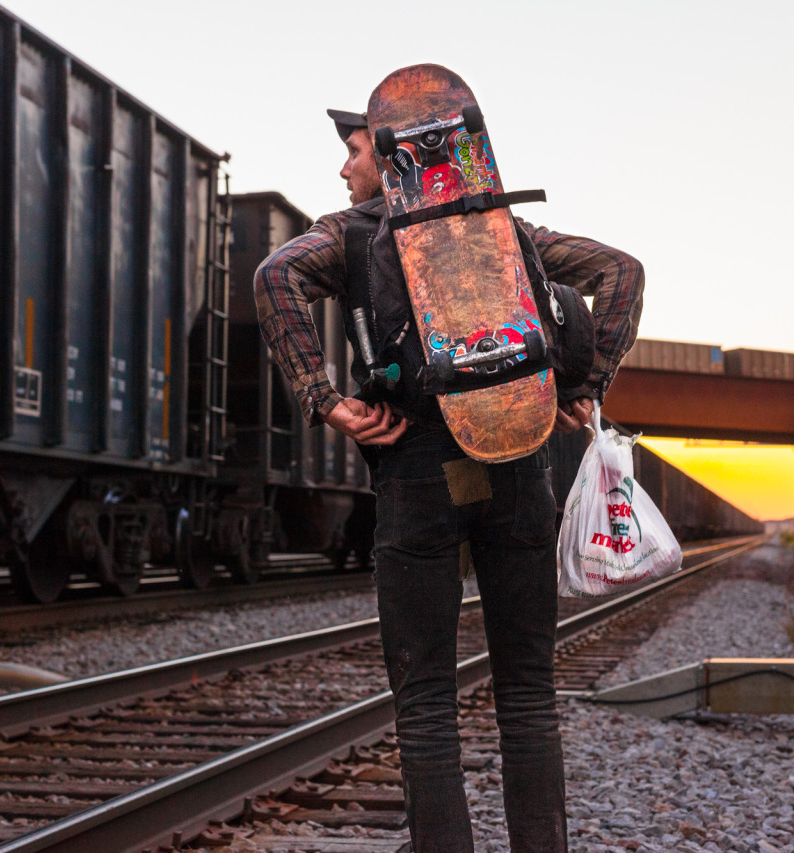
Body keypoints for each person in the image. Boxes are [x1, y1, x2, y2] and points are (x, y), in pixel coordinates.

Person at [255, 91, 644, 853]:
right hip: (516, 474)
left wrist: (325, 399)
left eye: (357, 151)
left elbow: (275, 280)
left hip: (417, 478)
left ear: (394, 156)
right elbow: (621, 273)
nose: (343, 168)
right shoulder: (503, 226)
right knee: (529, 695)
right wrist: (586, 385)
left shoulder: (351, 233)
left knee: (427, 702)